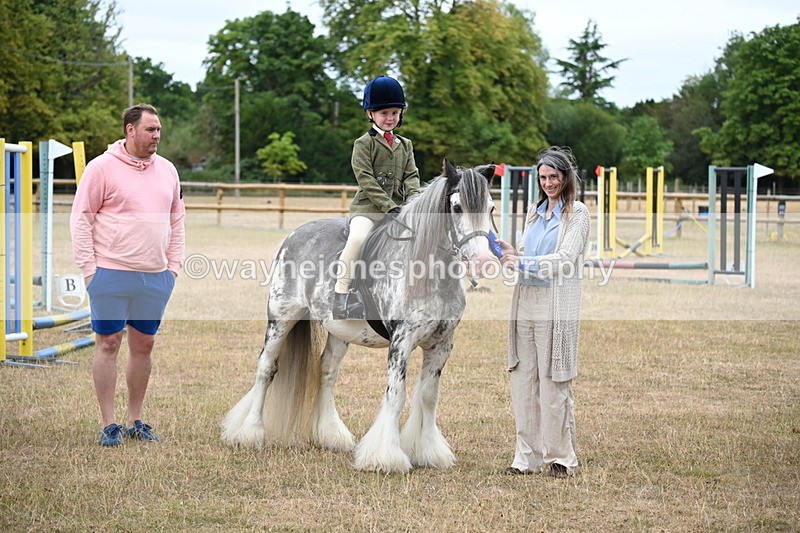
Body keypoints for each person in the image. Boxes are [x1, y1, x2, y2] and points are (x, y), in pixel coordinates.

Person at [70, 103, 185, 447]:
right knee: (108, 343)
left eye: (159, 130)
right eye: (150, 130)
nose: (157, 136)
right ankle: (109, 424)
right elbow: (80, 219)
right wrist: (91, 272)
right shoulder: (101, 168)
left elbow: (177, 218)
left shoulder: (167, 170)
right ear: (130, 130)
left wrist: (172, 267)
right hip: (110, 273)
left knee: (144, 345)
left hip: (154, 277)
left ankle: (136, 419)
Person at [495, 146, 590, 478]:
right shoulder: (534, 212)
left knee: (553, 381)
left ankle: (561, 457)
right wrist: (510, 253)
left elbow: (564, 260)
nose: (548, 183)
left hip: (555, 305)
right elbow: (525, 254)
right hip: (525, 302)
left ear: (565, 178)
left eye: (554, 177)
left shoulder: (577, 213)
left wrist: (525, 262)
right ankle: (526, 458)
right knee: (524, 380)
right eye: (543, 177)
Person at [333, 75, 420, 320]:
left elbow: (411, 175)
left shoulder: (406, 144)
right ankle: (341, 295)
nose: (390, 118)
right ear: (370, 114)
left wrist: (412, 202)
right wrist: (389, 207)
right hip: (368, 209)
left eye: (395, 112)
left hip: (399, 209)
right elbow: (366, 180)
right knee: (358, 239)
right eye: (384, 113)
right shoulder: (363, 144)